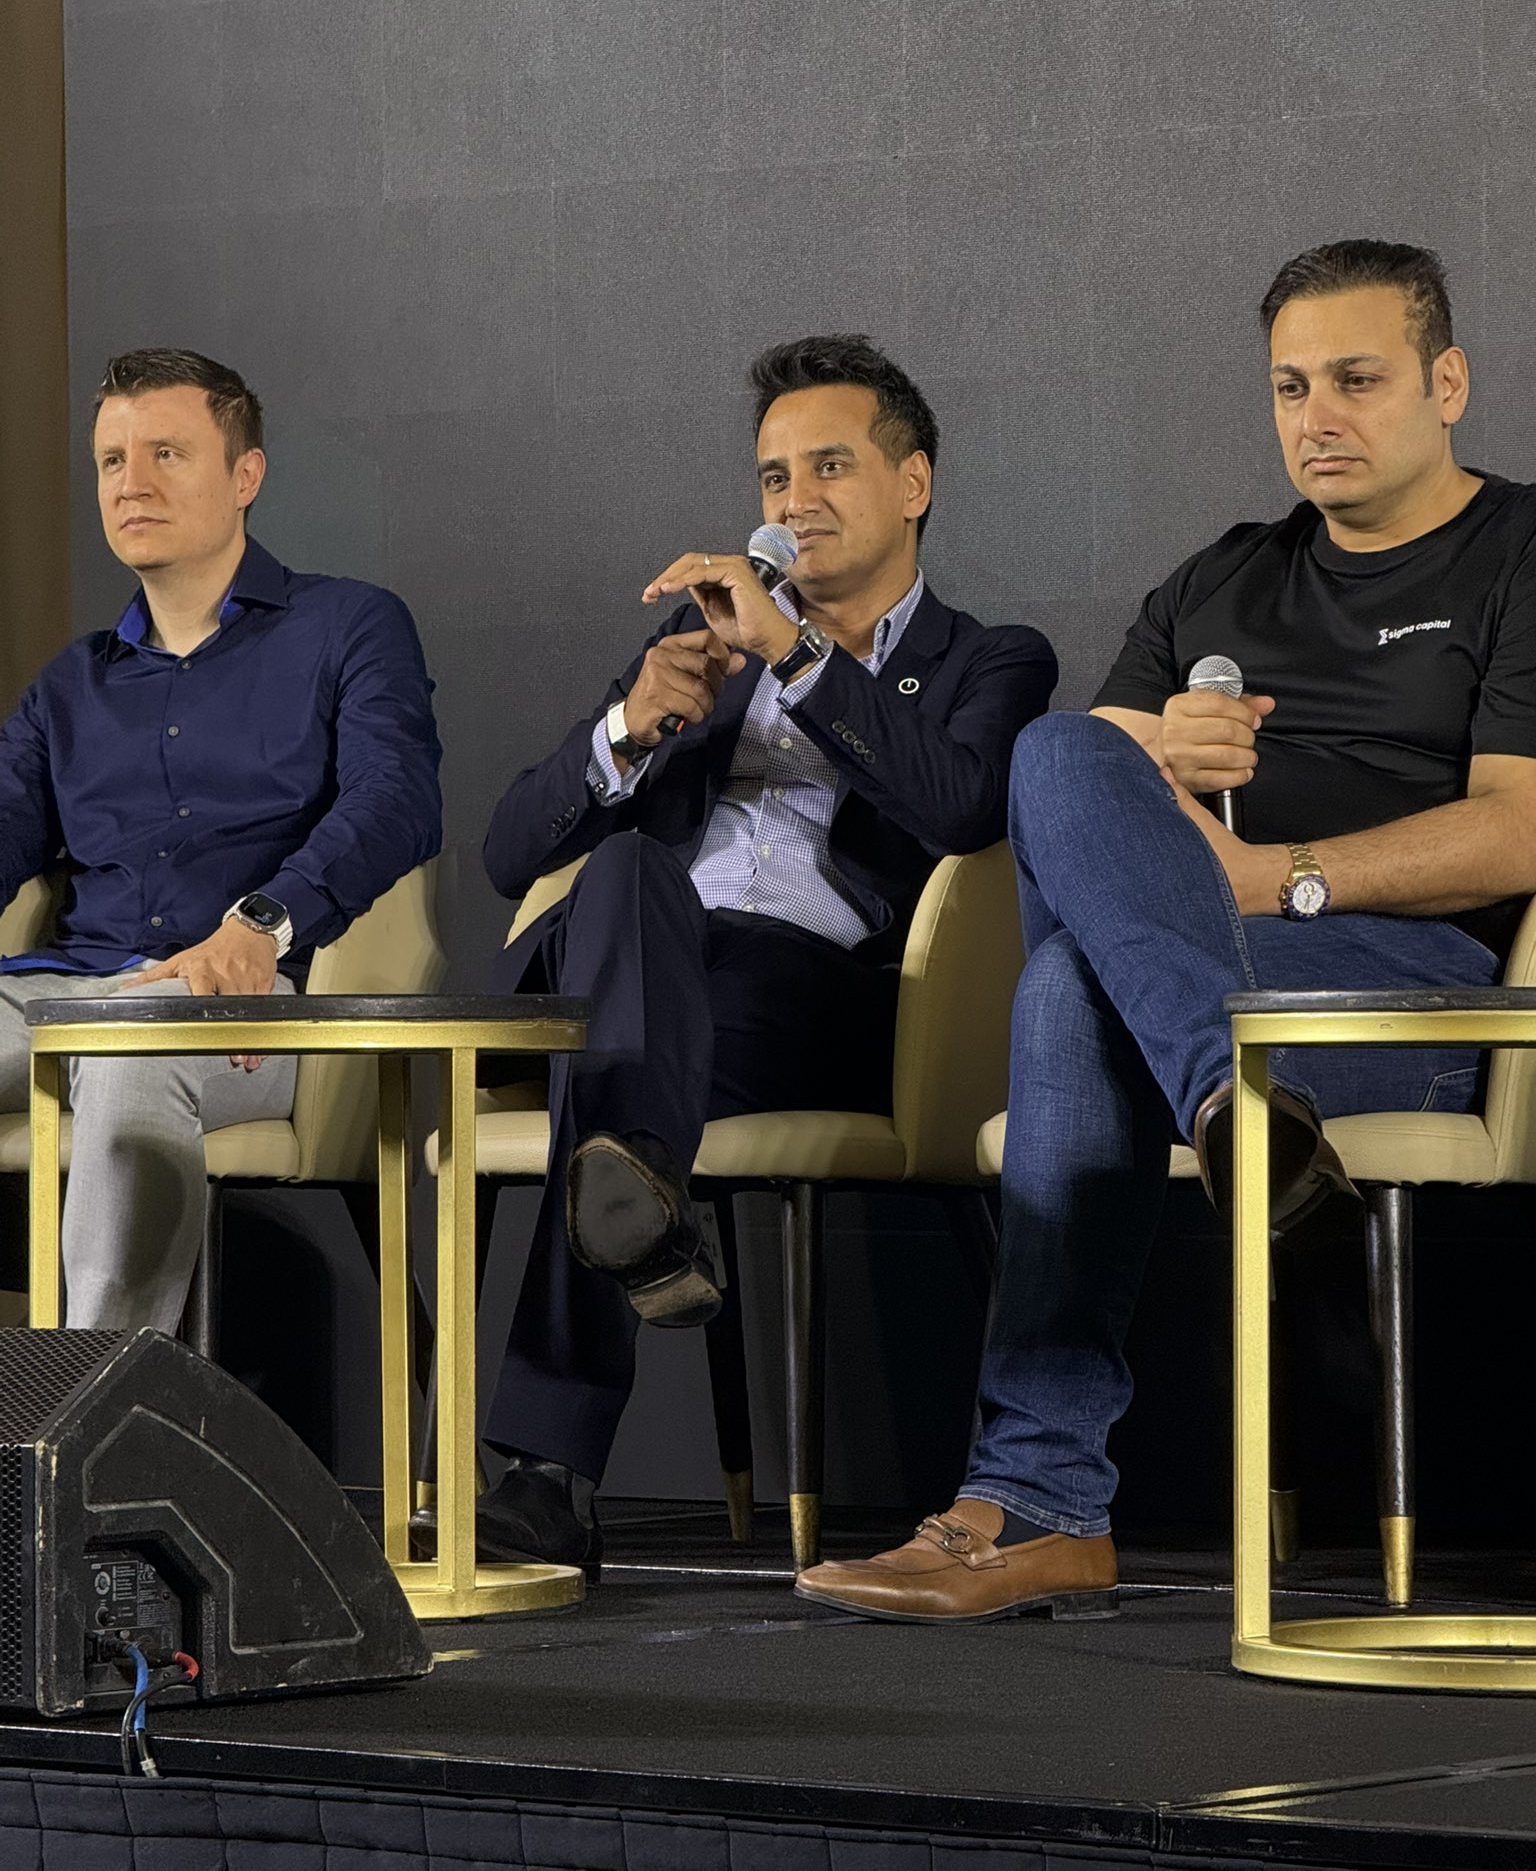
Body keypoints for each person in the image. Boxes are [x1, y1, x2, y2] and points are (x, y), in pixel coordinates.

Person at [798, 239, 1536, 1622]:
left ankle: (1037, 1500)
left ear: (1447, 384)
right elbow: (1075, 803)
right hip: (1216, 992)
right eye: (1291, 387)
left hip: (1420, 998)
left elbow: (1519, 829)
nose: (1317, 417)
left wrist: (1275, 875)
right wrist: (1163, 758)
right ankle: (1234, 1101)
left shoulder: (1522, 553)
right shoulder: (1223, 577)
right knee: (1060, 754)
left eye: (1358, 380)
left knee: (1069, 991)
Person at [450, 334, 1058, 1578]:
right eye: (776, 477)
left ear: (914, 483)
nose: (795, 499)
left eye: (830, 465)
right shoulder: (698, 649)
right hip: (641, 965)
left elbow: (959, 808)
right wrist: (628, 729)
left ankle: (552, 1469)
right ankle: (643, 1220)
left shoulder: (990, 658)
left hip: (815, 998)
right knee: (627, 876)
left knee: (607, 1077)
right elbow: (511, 854)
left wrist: (797, 655)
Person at [0, 349, 442, 1332]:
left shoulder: (349, 625)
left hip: (251, 1001)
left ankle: (99, 1411)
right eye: (112, 460)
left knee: (133, 1045)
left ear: (246, 475)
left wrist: (262, 924)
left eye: (166, 453)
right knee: (112, 1027)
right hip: (63, 990)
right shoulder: (71, 685)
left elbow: (397, 799)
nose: (131, 483)